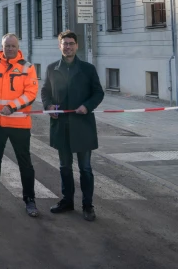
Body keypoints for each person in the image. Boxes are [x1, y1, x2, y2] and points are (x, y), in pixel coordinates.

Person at [41, 30, 104, 222]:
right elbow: (45, 92)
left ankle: (87, 205)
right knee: (64, 167)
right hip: (61, 126)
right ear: (59, 46)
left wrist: (87, 106)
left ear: (76, 46)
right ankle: (67, 201)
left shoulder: (87, 68)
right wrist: (48, 105)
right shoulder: (52, 68)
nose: (67, 47)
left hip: (82, 125)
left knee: (85, 168)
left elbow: (98, 93)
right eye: (64, 43)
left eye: (71, 43)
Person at [0, 33, 40, 218]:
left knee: (25, 163)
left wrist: (12, 107)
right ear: (2, 47)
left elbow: (31, 93)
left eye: (13, 46)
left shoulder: (27, 68)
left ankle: (30, 200)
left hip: (19, 123)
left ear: (18, 47)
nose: (10, 49)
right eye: (7, 46)